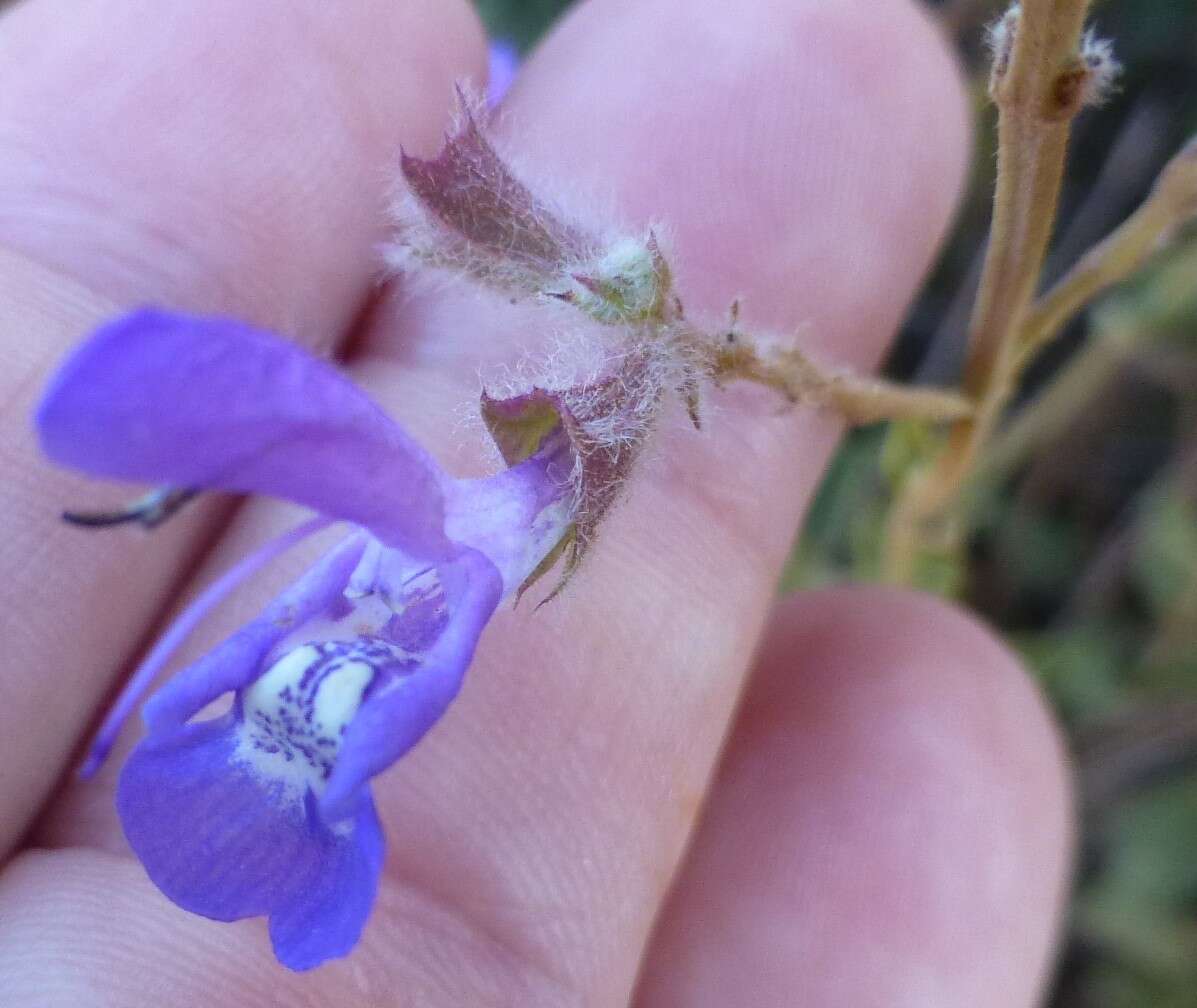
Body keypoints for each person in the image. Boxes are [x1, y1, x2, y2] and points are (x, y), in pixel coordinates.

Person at [0, 0, 1070, 1003]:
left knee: (411, 573)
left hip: (494, 512)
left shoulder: (429, 567)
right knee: (384, 578)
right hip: (473, 520)